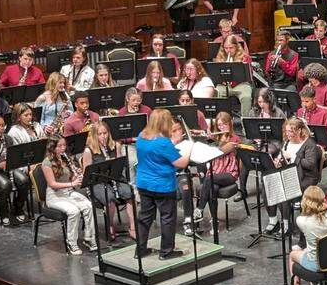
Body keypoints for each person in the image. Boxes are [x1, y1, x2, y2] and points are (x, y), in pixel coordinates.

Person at [135, 109, 192, 260]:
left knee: (145, 217)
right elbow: (181, 163)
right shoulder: (163, 142)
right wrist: (189, 149)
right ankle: (166, 252)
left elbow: (156, 154)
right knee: (167, 218)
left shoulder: (141, 136)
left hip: (144, 183)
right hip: (162, 186)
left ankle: (140, 250)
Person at [42, 135, 98, 256]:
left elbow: (69, 178)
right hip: (54, 196)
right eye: (59, 146)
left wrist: (76, 174)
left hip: (68, 192)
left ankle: (89, 238)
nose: (63, 148)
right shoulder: (47, 163)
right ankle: (71, 242)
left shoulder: (66, 158)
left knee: (88, 206)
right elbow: (52, 184)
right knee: (74, 211)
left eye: (64, 145)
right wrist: (72, 183)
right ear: (52, 147)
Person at [83, 119, 136, 242]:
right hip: (98, 182)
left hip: (115, 178)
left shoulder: (115, 145)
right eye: (100, 134)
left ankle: (133, 227)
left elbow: (119, 165)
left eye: (105, 133)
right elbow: (87, 174)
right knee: (109, 198)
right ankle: (110, 225)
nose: (103, 136)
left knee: (129, 193)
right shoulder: (89, 151)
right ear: (95, 135)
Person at [190, 110, 240, 234]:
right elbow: (204, 144)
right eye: (219, 125)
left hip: (229, 173)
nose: (222, 127)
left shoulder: (234, 139)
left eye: (224, 124)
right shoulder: (215, 137)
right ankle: (214, 221)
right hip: (216, 172)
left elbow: (221, 151)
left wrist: (212, 140)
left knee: (208, 179)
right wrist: (202, 135)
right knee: (213, 188)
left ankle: (200, 209)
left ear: (230, 124)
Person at [212, 34, 253, 116]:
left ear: (236, 47)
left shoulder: (245, 57)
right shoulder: (220, 57)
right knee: (217, 93)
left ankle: (245, 121)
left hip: (241, 84)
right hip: (224, 85)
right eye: (226, 48)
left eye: (231, 48)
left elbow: (249, 74)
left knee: (246, 97)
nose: (228, 51)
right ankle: (223, 119)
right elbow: (216, 75)